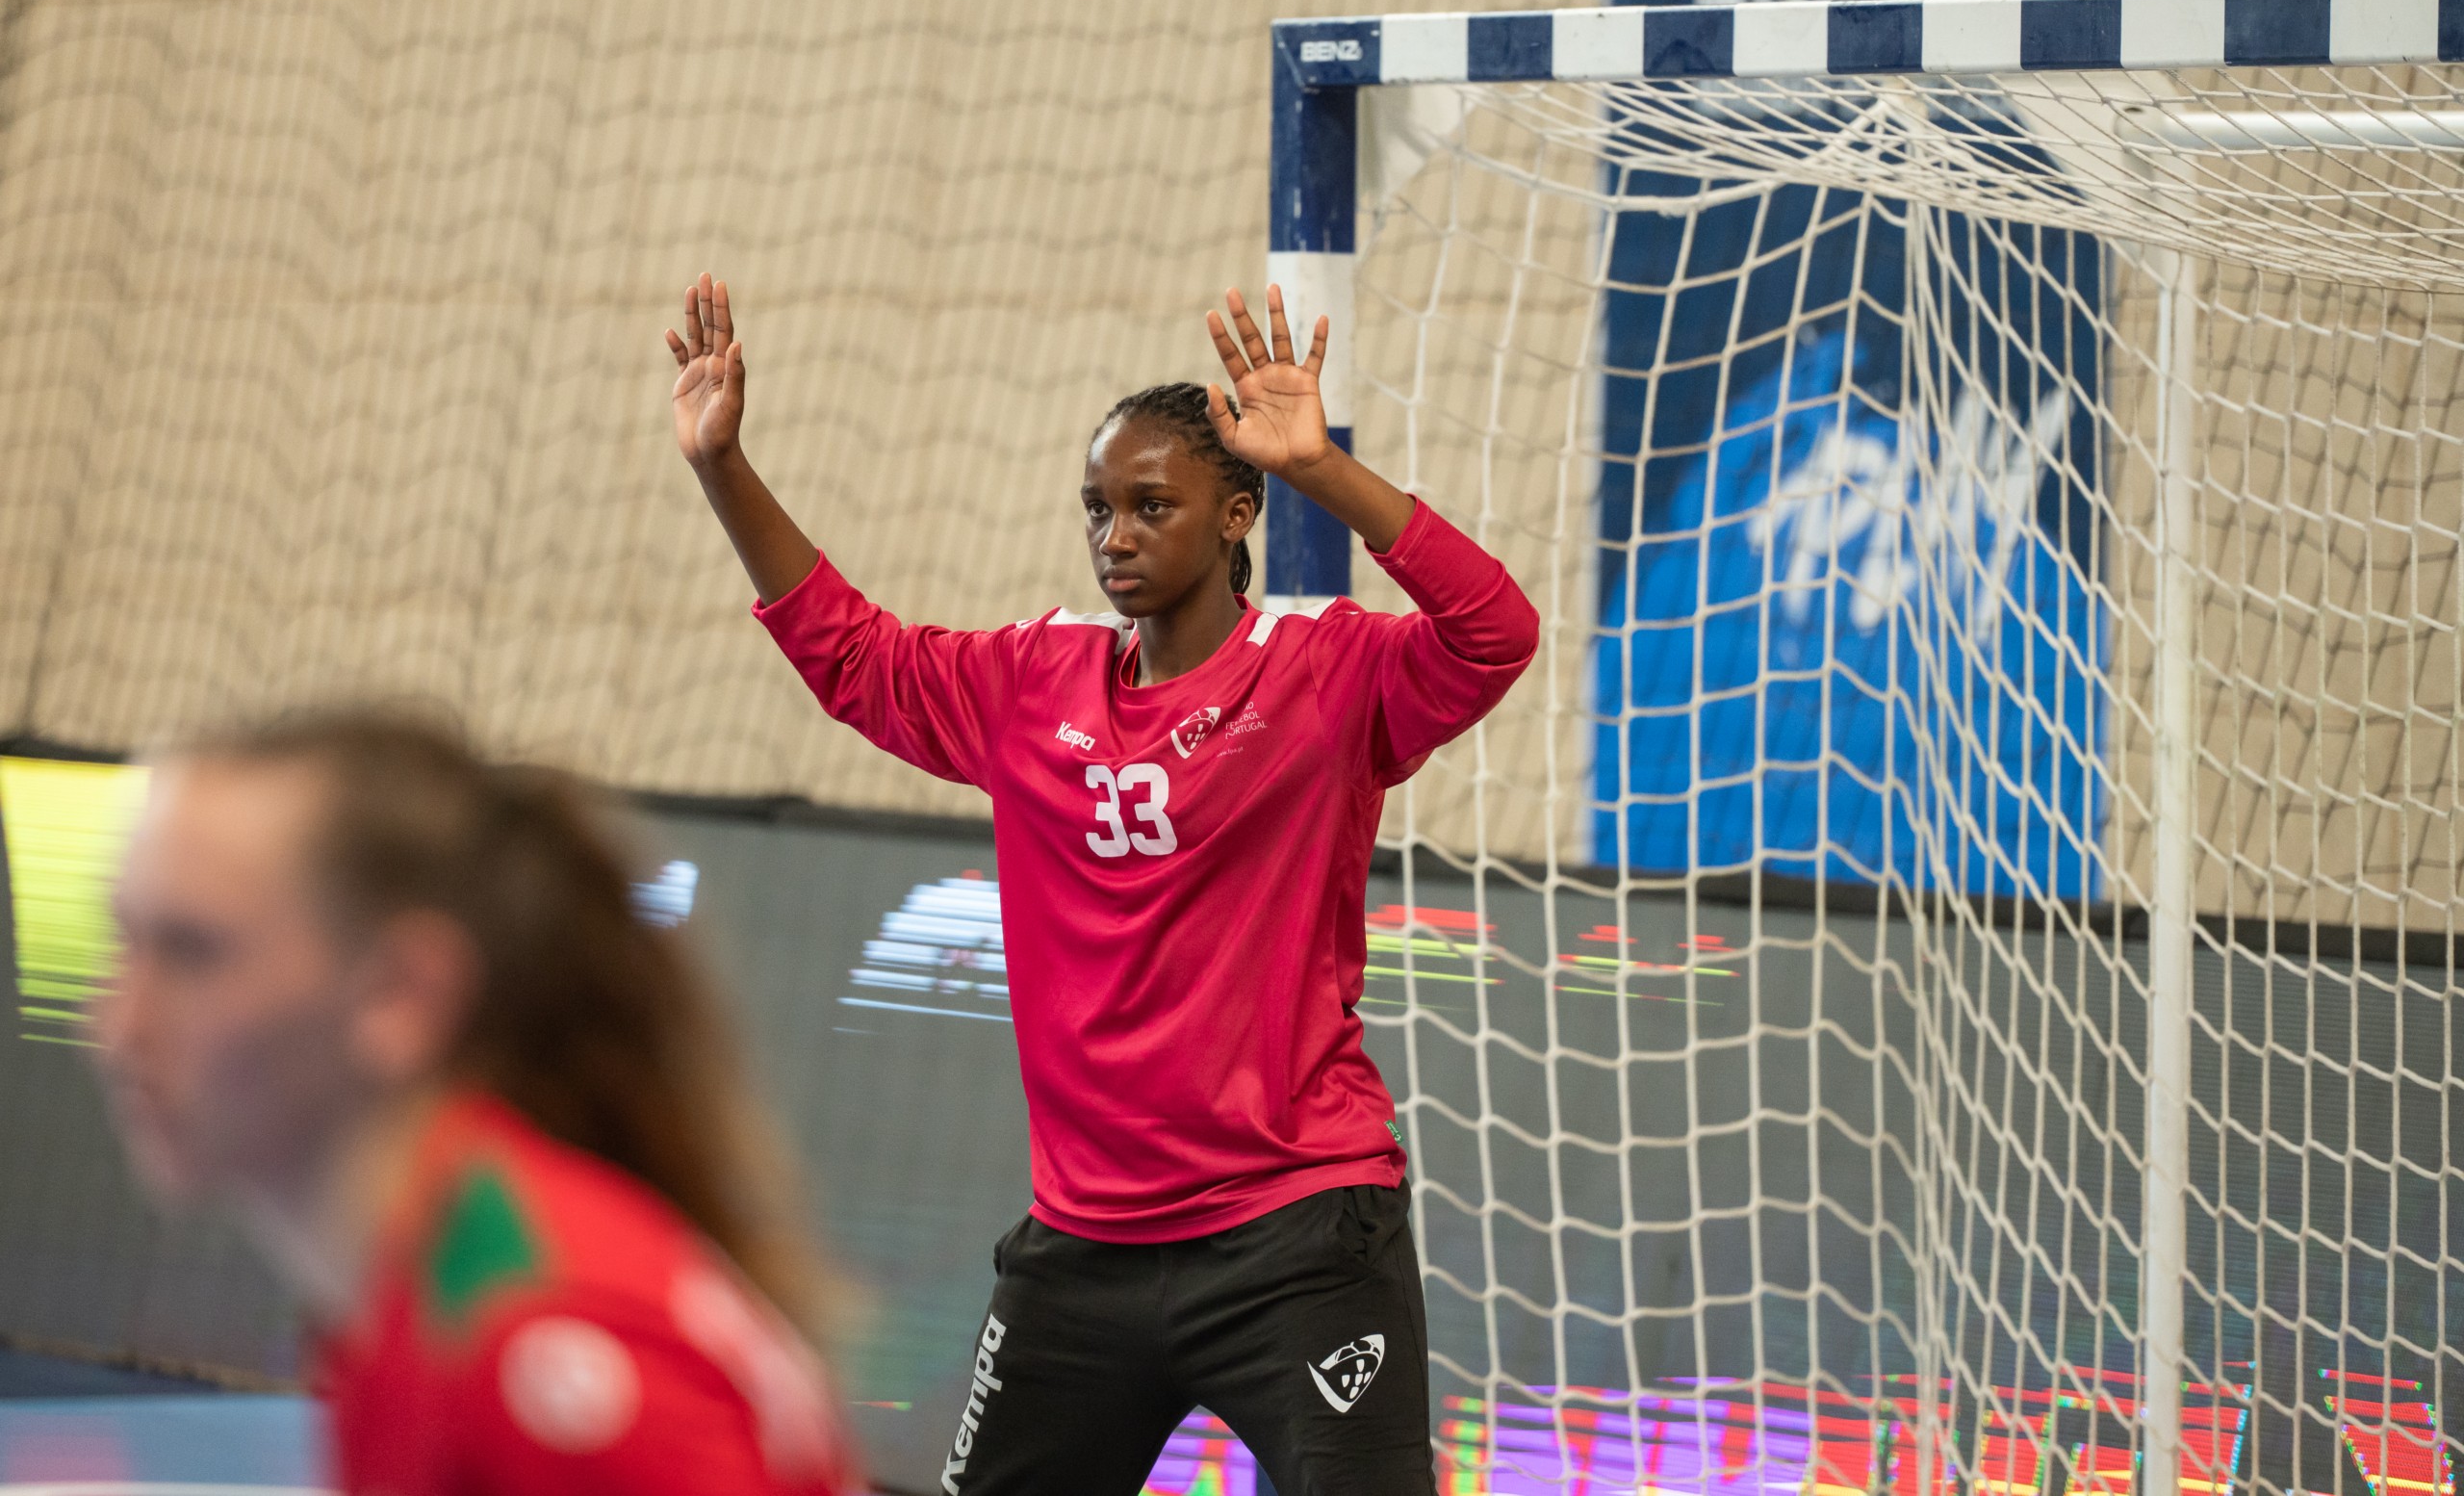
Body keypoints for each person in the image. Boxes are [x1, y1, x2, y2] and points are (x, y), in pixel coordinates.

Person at [668, 271, 1537, 1496]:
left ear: (1237, 514)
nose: (1114, 534)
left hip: (1295, 1236)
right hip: (1082, 1250)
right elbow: (851, 653)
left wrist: (1323, 467)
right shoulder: (1032, 681)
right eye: (1097, 507)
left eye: (1150, 505)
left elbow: (1495, 631)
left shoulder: (1326, 676)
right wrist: (721, 465)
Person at [94, 709, 859, 1496]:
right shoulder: (415, 1290)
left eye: (192, 952)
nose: (117, 1027)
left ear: (401, 993)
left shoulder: (536, 1345)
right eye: (124, 941)